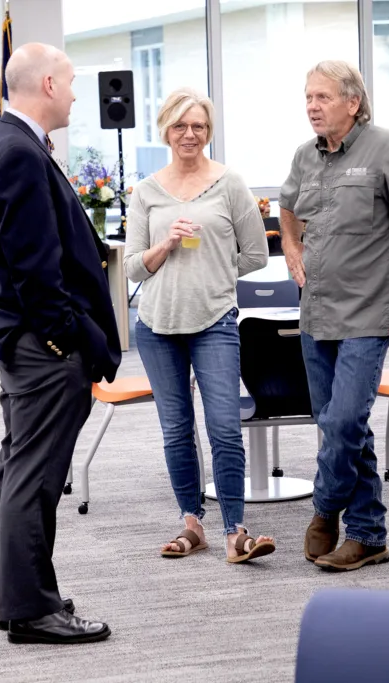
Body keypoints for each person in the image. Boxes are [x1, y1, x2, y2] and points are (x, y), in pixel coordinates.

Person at [279, 60, 389, 572]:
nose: (312, 106)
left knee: (343, 422)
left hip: (366, 312)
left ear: (352, 102)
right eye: (308, 98)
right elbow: (287, 206)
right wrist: (291, 246)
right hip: (315, 311)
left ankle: (323, 508)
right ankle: (368, 536)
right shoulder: (304, 156)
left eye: (322, 97)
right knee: (339, 428)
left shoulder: (388, 148)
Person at [0, 42, 120, 644]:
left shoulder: (13, 144)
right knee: (33, 477)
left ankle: (23, 600)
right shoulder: (18, 153)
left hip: (26, 343)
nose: (80, 94)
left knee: (18, 471)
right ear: (50, 84)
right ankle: (32, 610)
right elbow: (37, 270)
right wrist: (63, 341)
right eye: (74, 82)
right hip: (41, 348)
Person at [124, 87, 276, 564]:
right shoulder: (146, 191)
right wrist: (165, 245)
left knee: (226, 430)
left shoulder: (230, 184)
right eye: (181, 126)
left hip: (213, 321)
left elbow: (256, 254)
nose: (190, 134)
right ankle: (192, 523)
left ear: (208, 132)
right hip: (157, 325)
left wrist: (213, 266)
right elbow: (132, 268)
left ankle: (236, 530)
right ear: (166, 130)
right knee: (176, 430)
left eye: (200, 126)